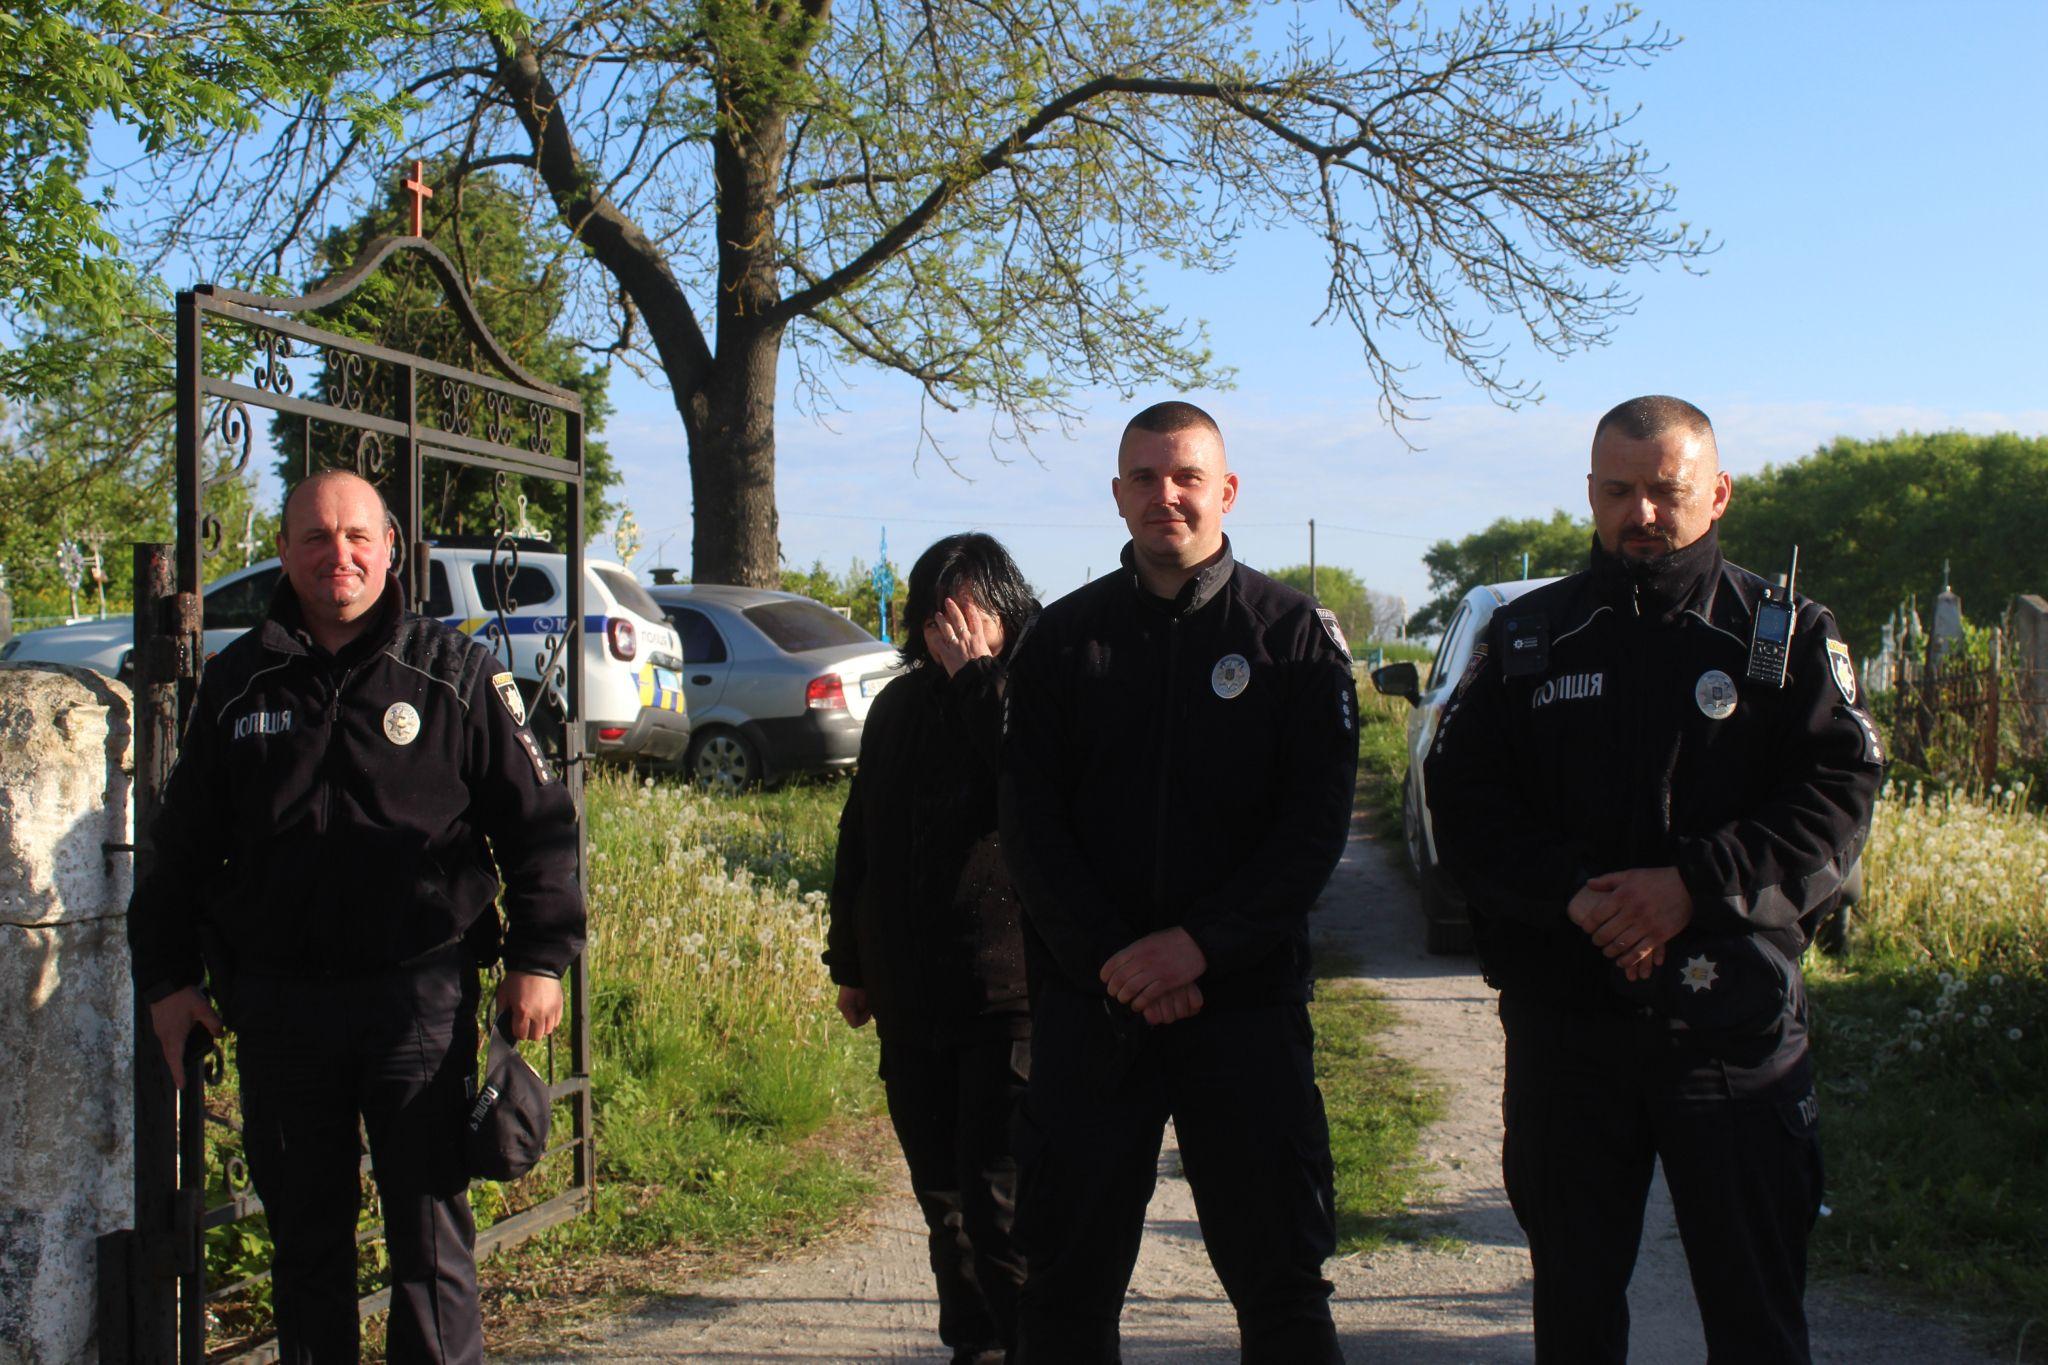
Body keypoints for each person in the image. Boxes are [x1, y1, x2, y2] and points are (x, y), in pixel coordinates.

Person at [1423, 395, 1883, 1364]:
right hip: (1569, 1019)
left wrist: (1691, 888)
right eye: (1617, 491)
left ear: (1716, 494)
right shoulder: (1528, 638)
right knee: (1574, 1312)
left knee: (1756, 1314)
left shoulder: (1779, 637)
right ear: (1589, 493)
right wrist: (1577, 896)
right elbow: (1463, 801)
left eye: (1665, 491)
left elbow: (1837, 797)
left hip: (1731, 1023)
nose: (1640, 514)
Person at [128, 469, 584, 1364]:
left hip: (419, 1003)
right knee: (306, 1251)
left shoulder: (452, 671)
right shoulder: (237, 681)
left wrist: (540, 957)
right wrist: (169, 980)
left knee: (430, 1246)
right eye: (315, 536)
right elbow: (179, 849)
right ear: (284, 551)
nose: (337, 553)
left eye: (356, 536)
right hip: (282, 1010)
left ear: (388, 549)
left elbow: (539, 823)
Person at [998, 400, 1359, 1363]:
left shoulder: (1292, 637)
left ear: (1226, 490)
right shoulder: (1061, 641)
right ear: (1118, 494)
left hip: (1243, 1008)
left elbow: (1311, 831)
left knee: (1283, 1290)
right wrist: (1117, 959)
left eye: (1188, 476)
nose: (1168, 495)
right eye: (1146, 477)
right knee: (1063, 1293)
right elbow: (1030, 829)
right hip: (1093, 1010)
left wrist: (1200, 947)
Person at [825, 533, 1040, 1365]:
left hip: (1007, 999)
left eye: (967, 609)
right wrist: (850, 962)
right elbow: (861, 837)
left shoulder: (1032, 688)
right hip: (911, 997)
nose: (948, 628)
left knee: (999, 1203)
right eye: (934, 612)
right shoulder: (897, 706)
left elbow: (1031, 783)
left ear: (1004, 610)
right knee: (943, 1203)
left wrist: (979, 678)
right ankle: (975, 1347)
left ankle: (1035, 1345)